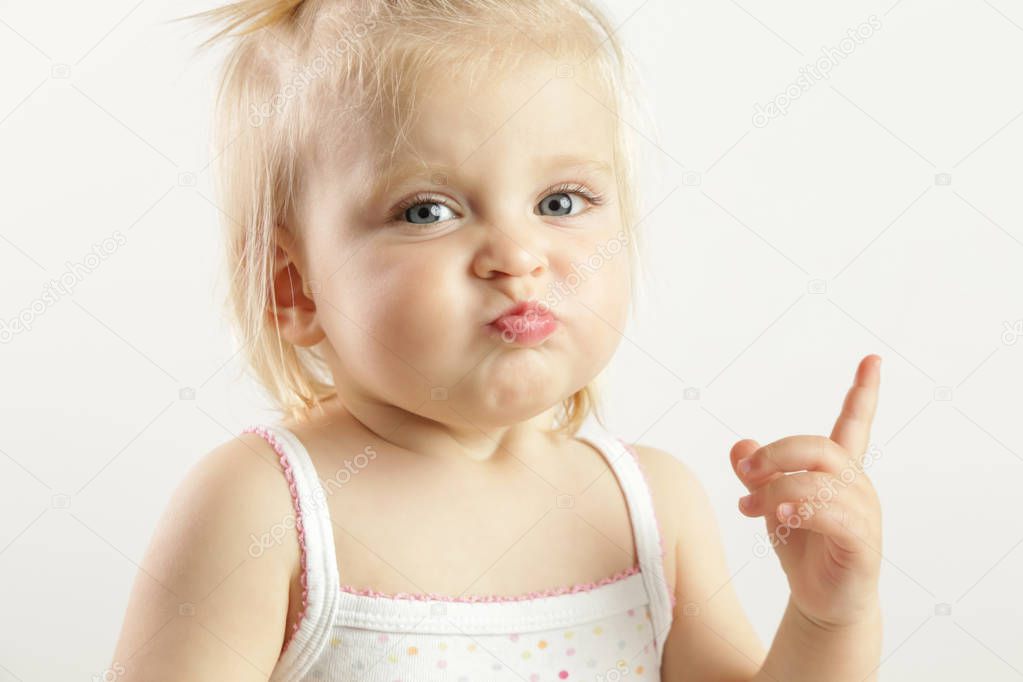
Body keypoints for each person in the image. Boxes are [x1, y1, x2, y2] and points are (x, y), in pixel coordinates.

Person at [110, 1, 884, 679]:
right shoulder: (265, 507)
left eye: (559, 200)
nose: (517, 257)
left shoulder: (653, 508)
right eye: (427, 211)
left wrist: (826, 620)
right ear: (296, 287)